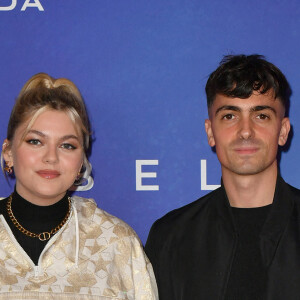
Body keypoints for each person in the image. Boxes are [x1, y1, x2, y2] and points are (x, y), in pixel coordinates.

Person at [145, 54, 300, 299]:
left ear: (282, 131)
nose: (246, 131)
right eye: (230, 116)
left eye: (261, 116)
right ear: (210, 132)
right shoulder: (171, 236)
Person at [0, 73, 158, 299]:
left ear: (81, 162)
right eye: (35, 141)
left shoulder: (117, 243)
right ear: (8, 153)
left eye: (67, 145)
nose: (51, 157)